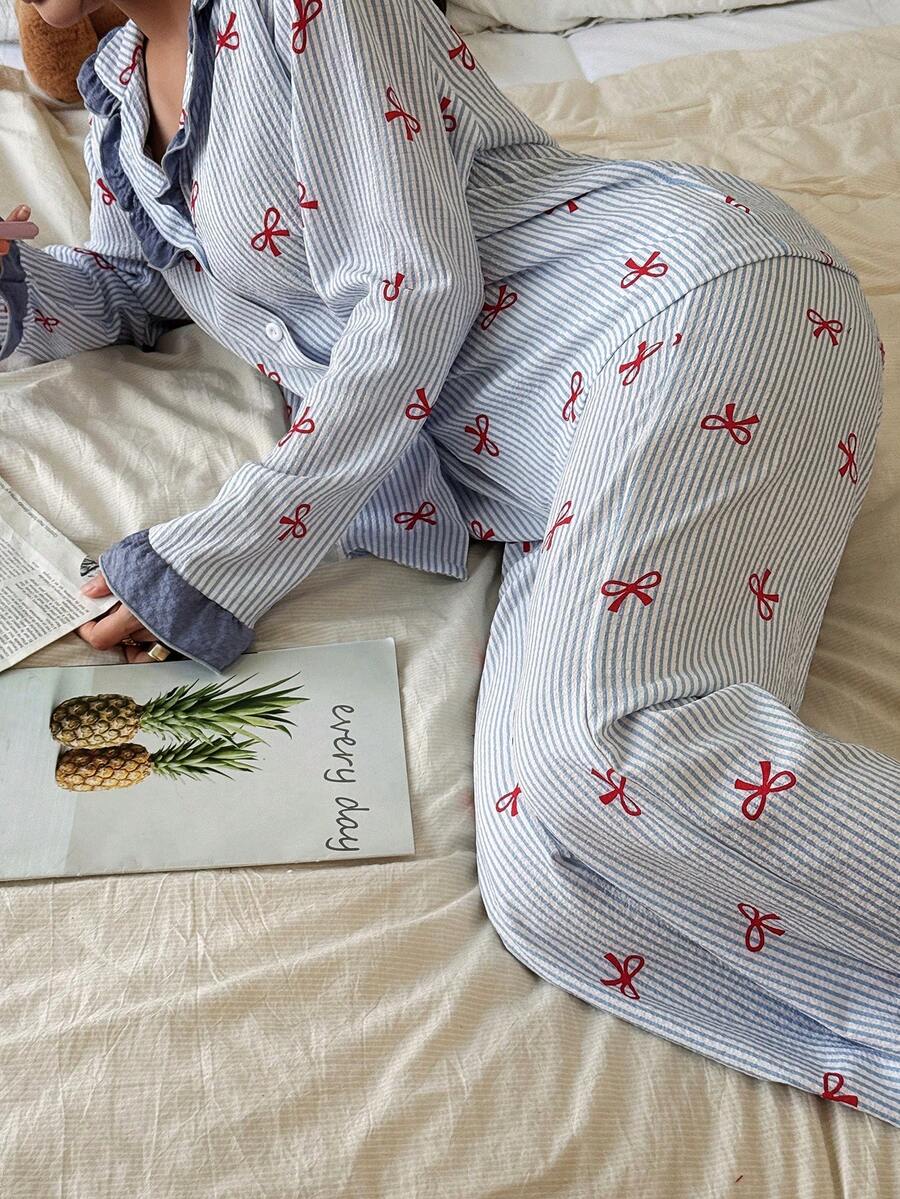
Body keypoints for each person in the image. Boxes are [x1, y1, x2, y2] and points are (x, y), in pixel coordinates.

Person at [1, 0, 897, 1123]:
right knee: (546, 885)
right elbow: (142, 289)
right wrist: (13, 281)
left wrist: (225, 551)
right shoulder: (124, 89)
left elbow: (414, 290)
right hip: (541, 468)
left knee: (606, 754)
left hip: (673, 308)